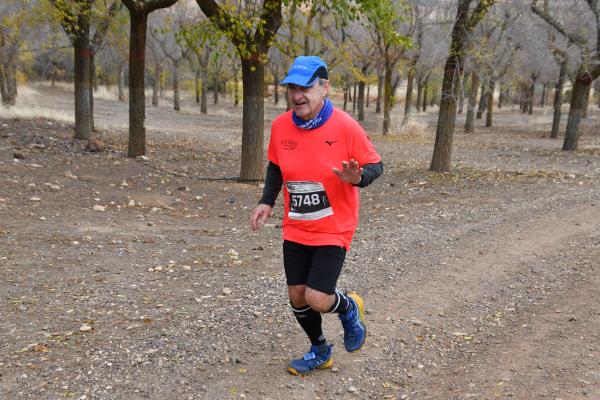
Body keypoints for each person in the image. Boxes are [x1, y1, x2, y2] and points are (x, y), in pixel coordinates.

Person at [250, 55, 383, 376]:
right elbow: (276, 166)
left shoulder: (345, 126)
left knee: (318, 297)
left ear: (324, 87)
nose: (297, 95)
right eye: (292, 88)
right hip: (296, 225)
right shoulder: (281, 126)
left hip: (334, 227)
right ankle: (320, 349)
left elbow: (375, 164)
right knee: (297, 295)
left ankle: (349, 307)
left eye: (305, 87)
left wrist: (357, 178)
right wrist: (266, 201)